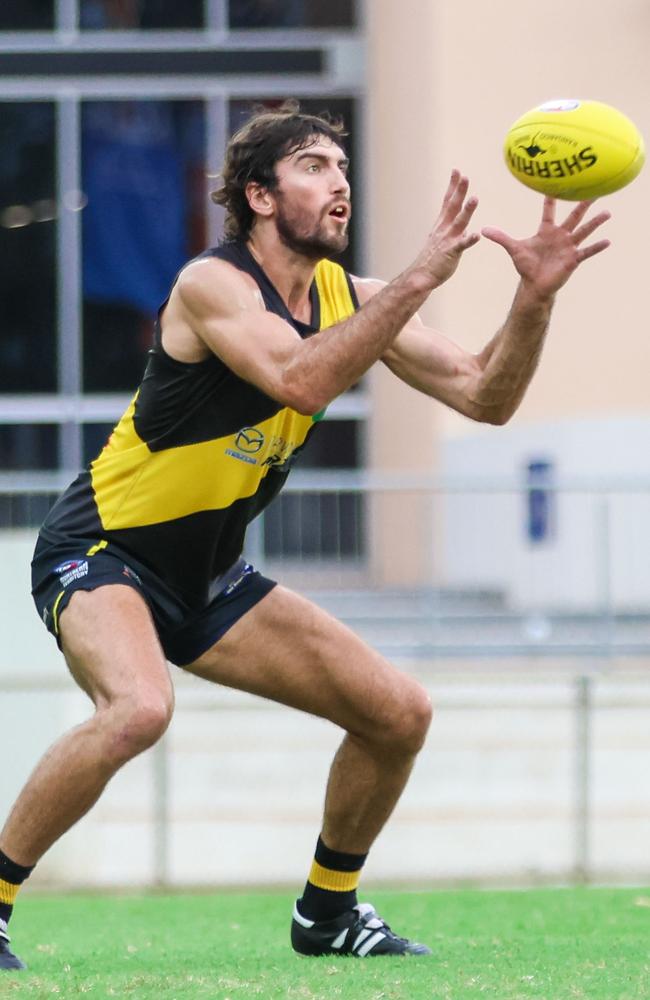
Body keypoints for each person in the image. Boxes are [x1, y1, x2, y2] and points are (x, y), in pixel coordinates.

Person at [0, 103, 610, 969]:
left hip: (208, 575)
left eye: (343, 168)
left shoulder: (350, 299)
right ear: (258, 194)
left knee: (398, 713)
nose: (341, 185)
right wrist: (416, 281)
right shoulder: (212, 284)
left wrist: (533, 299)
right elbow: (296, 377)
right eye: (316, 167)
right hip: (103, 551)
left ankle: (327, 913)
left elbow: (485, 395)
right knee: (138, 708)